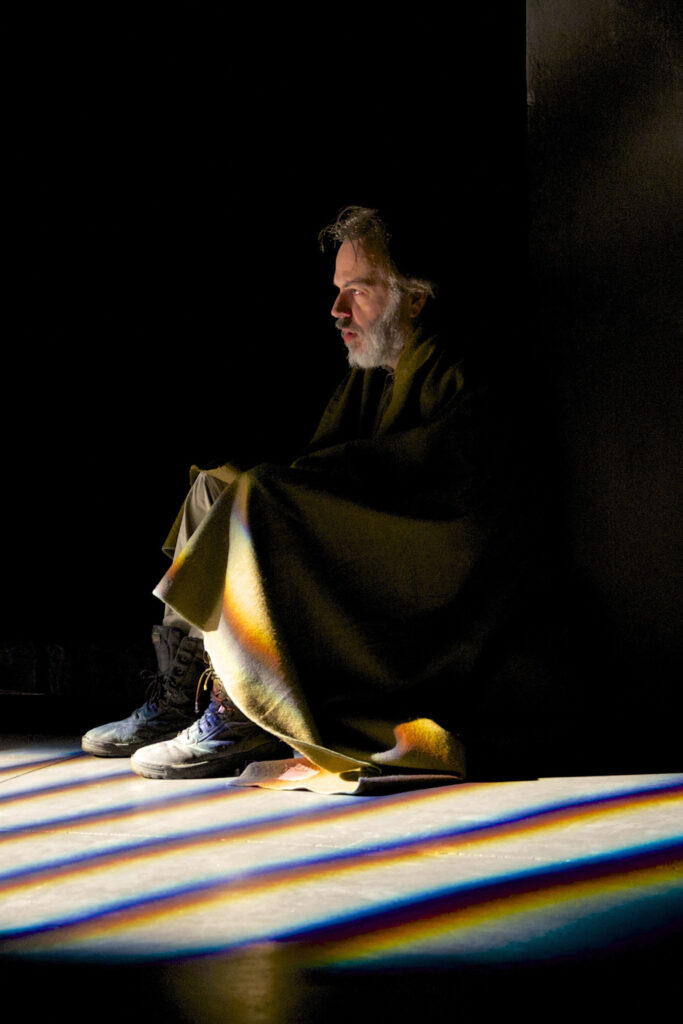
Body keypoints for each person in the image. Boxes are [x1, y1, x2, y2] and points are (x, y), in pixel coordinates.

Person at [84, 205, 557, 794]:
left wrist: (302, 488)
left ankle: (245, 714)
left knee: (260, 496)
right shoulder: (374, 371)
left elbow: (438, 496)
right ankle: (182, 695)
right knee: (215, 486)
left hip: (427, 577)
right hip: (373, 533)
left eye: (356, 291)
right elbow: (327, 460)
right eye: (338, 291)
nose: (337, 309)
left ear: (414, 297)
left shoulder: (458, 369)